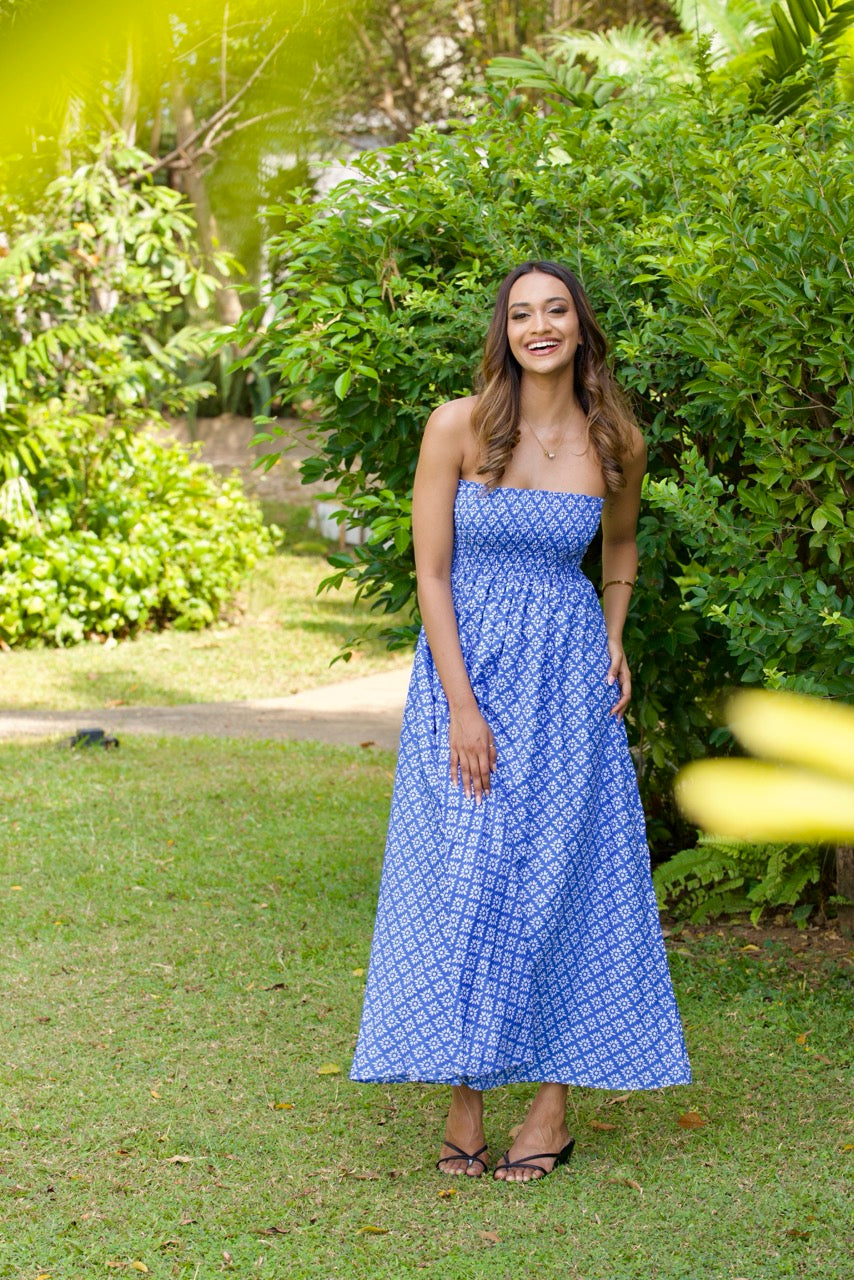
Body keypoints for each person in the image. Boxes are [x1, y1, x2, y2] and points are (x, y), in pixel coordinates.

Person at [350, 260, 691, 1184]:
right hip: (468, 679)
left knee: (562, 879)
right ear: (503, 331)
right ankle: (464, 1098)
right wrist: (462, 706)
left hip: (569, 684)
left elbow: (621, 546)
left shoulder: (616, 438)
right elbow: (431, 573)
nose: (540, 326)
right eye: (521, 314)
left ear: (581, 327)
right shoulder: (457, 426)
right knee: (467, 878)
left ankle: (550, 1107)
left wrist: (613, 633)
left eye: (556, 311)